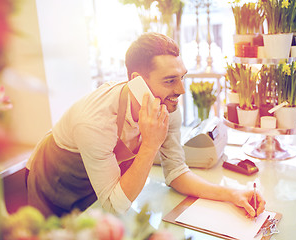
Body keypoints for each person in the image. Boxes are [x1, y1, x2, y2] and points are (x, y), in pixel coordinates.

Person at [26, 32, 265, 218]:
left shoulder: (166, 108)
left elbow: (176, 173)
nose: (181, 90)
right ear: (136, 81)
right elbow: (114, 206)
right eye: (170, 80)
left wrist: (232, 194)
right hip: (56, 182)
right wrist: (150, 145)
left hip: (102, 186)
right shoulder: (95, 122)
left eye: (182, 77)